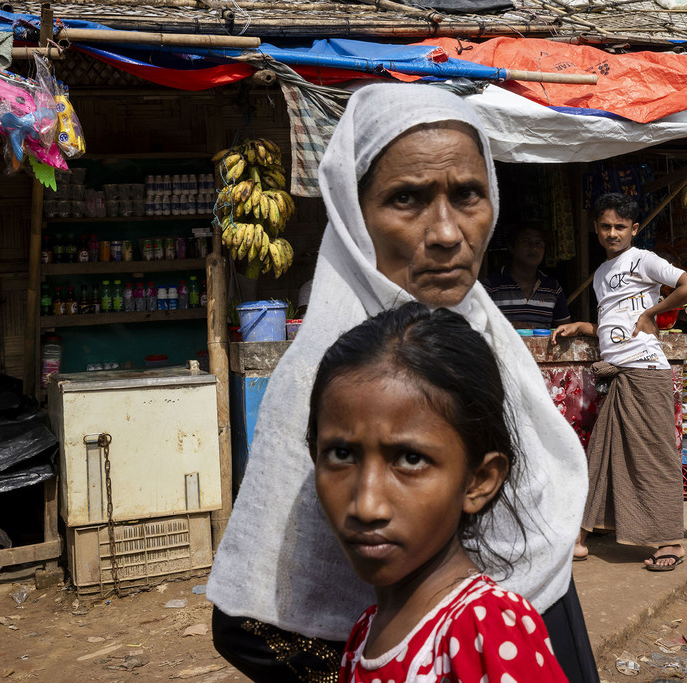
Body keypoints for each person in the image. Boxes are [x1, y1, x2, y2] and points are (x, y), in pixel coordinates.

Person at [206, 83, 596, 682]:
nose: (445, 232)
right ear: (354, 215)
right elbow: (251, 625)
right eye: (408, 199)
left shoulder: (497, 346)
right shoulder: (327, 377)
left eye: (468, 195)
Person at [307, 302, 568, 682]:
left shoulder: (487, 630)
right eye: (341, 454)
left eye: (411, 459)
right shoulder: (365, 632)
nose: (366, 506)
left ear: (478, 480)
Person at [552, 193, 687, 571]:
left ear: (634, 229)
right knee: (601, 456)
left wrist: (653, 311)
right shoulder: (602, 274)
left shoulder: (644, 259)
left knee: (655, 458)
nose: (612, 233)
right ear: (596, 229)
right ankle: (582, 536)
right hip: (621, 376)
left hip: (646, 373)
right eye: (605, 226)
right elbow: (613, 323)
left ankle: (671, 541)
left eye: (620, 227)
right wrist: (582, 327)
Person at [483, 223, 572, 328]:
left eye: (538, 243)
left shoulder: (552, 288)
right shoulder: (491, 286)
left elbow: (566, 329)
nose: (533, 248)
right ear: (512, 247)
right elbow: (474, 327)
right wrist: (509, 327)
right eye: (526, 242)